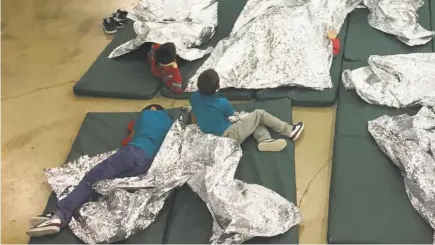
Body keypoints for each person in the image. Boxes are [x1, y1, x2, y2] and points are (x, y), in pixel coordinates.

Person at [26, 104, 174, 237]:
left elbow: (128, 139)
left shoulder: (148, 114)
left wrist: (135, 128)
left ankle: (59, 216)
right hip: (147, 165)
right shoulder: (169, 123)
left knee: (90, 180)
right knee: (105, 186)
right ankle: (65, 214)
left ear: (153, 108)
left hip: (132, 153)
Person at [190, 69, 305, 152]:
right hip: (228, 137)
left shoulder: (193, 97)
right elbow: (232, 114)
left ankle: (265, 140)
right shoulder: (222, 103)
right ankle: (290, 131)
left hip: (211, 137)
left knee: (252, 120)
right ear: (217, 87)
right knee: (259, 114)